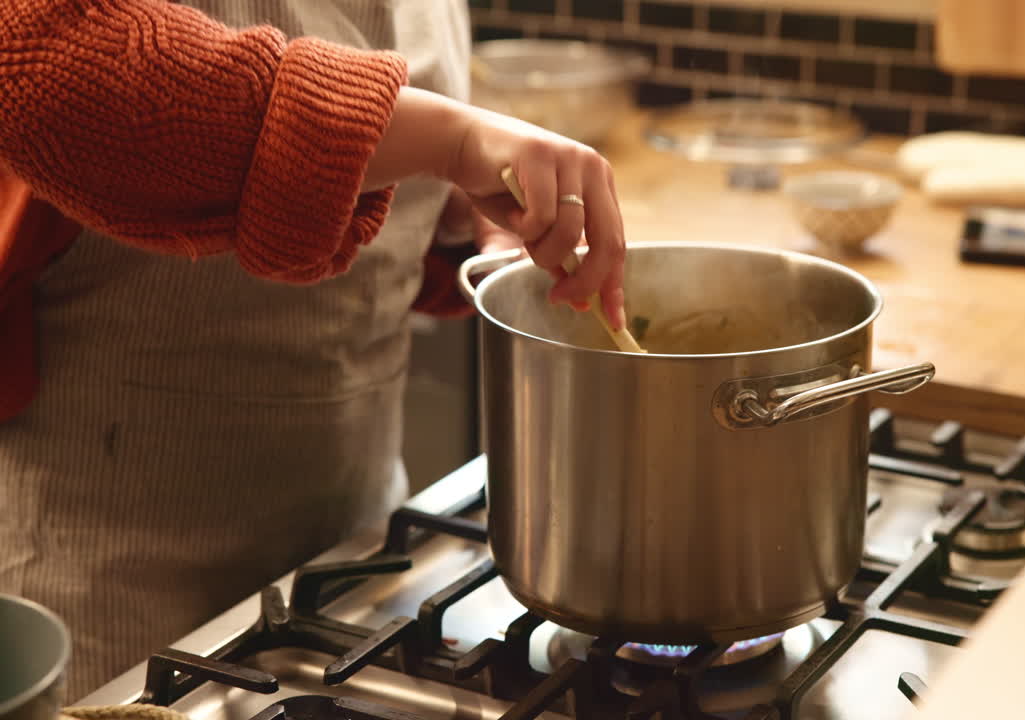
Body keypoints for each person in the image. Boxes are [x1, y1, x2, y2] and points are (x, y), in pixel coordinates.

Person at [0, 0, 628, 696]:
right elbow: (42, 63)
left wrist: (455, 208)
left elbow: (396, 124)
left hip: (347, 556)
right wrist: (452, 143)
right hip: (113, 586)